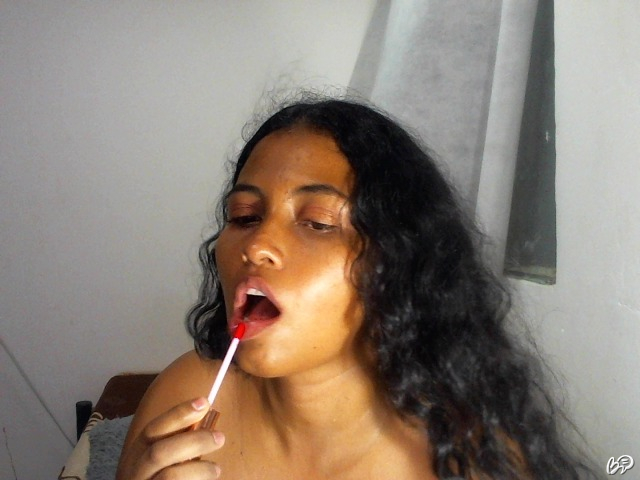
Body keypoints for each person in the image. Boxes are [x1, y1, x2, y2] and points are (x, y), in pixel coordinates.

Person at [116, 97, 596, 479]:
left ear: (396, 262)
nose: (256, 245)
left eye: (318, 223)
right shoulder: (187, 396)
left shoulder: (469, 458)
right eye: (244, 216)